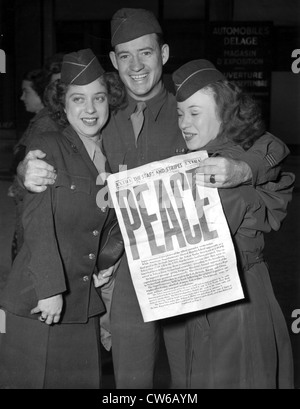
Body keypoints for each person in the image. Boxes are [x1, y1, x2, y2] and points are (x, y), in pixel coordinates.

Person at [18, 9, 291, 389]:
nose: (136, 66)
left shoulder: (190, 109)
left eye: (145, 53)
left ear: (162, 54)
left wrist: (243, 169)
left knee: (190, 375)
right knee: (131, 380)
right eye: (124, 56)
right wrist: (24, 170)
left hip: (188, 269)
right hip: (127, 272)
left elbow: (269, 144)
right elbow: (49, 140)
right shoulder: (100, 111)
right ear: (113, 61)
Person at [0, 49, 124, 389]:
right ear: (62, 103)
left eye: (98, 98)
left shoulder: (111, 155)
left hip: (84, 304)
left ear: (110, 101)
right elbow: (36, 222)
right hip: (41, 302)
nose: (89, 109)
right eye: (78, 98)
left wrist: (108, 259)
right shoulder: (47, 145)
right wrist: (50, 288)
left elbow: (110, 219)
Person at [172, 59, 294, 389]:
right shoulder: (199, 157)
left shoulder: (232, 160)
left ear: (224, 112)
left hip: (238, 299)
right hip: (207, 300)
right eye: (180, 113)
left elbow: (272, 147)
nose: (184, 122)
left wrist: (242, 170)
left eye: (195, 112)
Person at [9, 68, 60, 260]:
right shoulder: (40, 121)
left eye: (27, 92)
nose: (22, 97)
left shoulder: (45, 124)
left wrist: (19, 185)